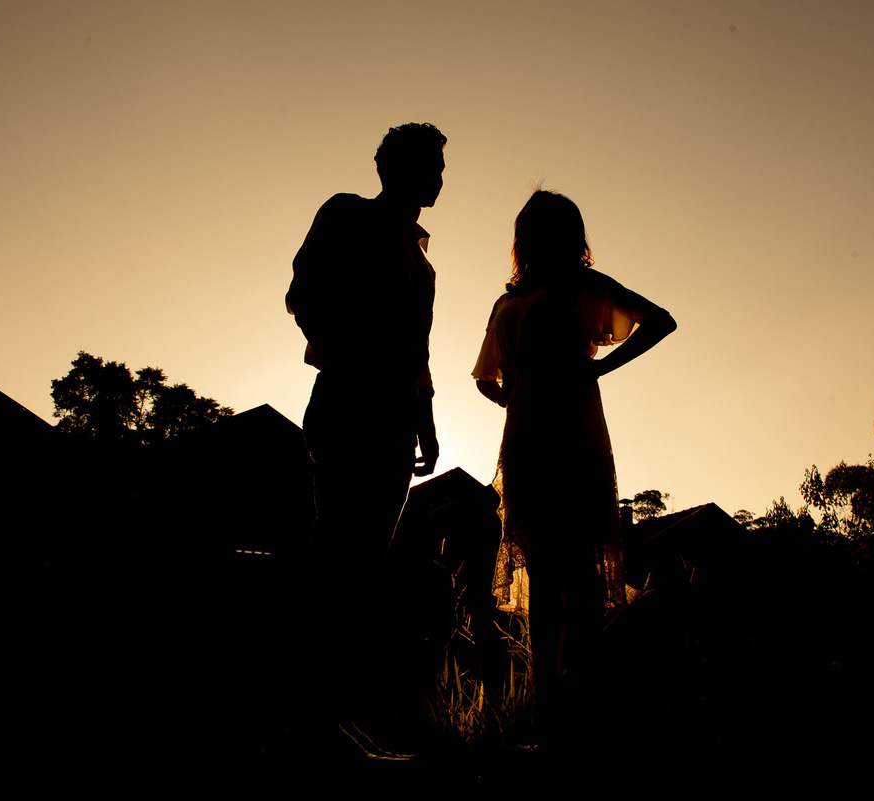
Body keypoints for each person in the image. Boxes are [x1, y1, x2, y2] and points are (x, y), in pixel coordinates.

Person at [472, 190, 676, 741]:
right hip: (525, 439)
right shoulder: (507, 302)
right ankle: (547, 713)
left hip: (576, 432)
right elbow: (488, 379)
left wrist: (598, 370)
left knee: (581, 578)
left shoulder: (585, 286)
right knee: (542, 574)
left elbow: (661, 321)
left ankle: (580, 711)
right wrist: (518, 396)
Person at [285, 123, 446, 747]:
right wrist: (352, 359)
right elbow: (305, 293)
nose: (437, 177)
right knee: (336, 560)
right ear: (390, 167)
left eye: (439, 167)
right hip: (350, 405)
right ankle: (309, 719)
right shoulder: (347, 215)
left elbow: (419, 350)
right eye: (428, 164)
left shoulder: (424, 264)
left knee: (363, 571)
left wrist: (425, 420)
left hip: (395, 423)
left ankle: (335, 720)